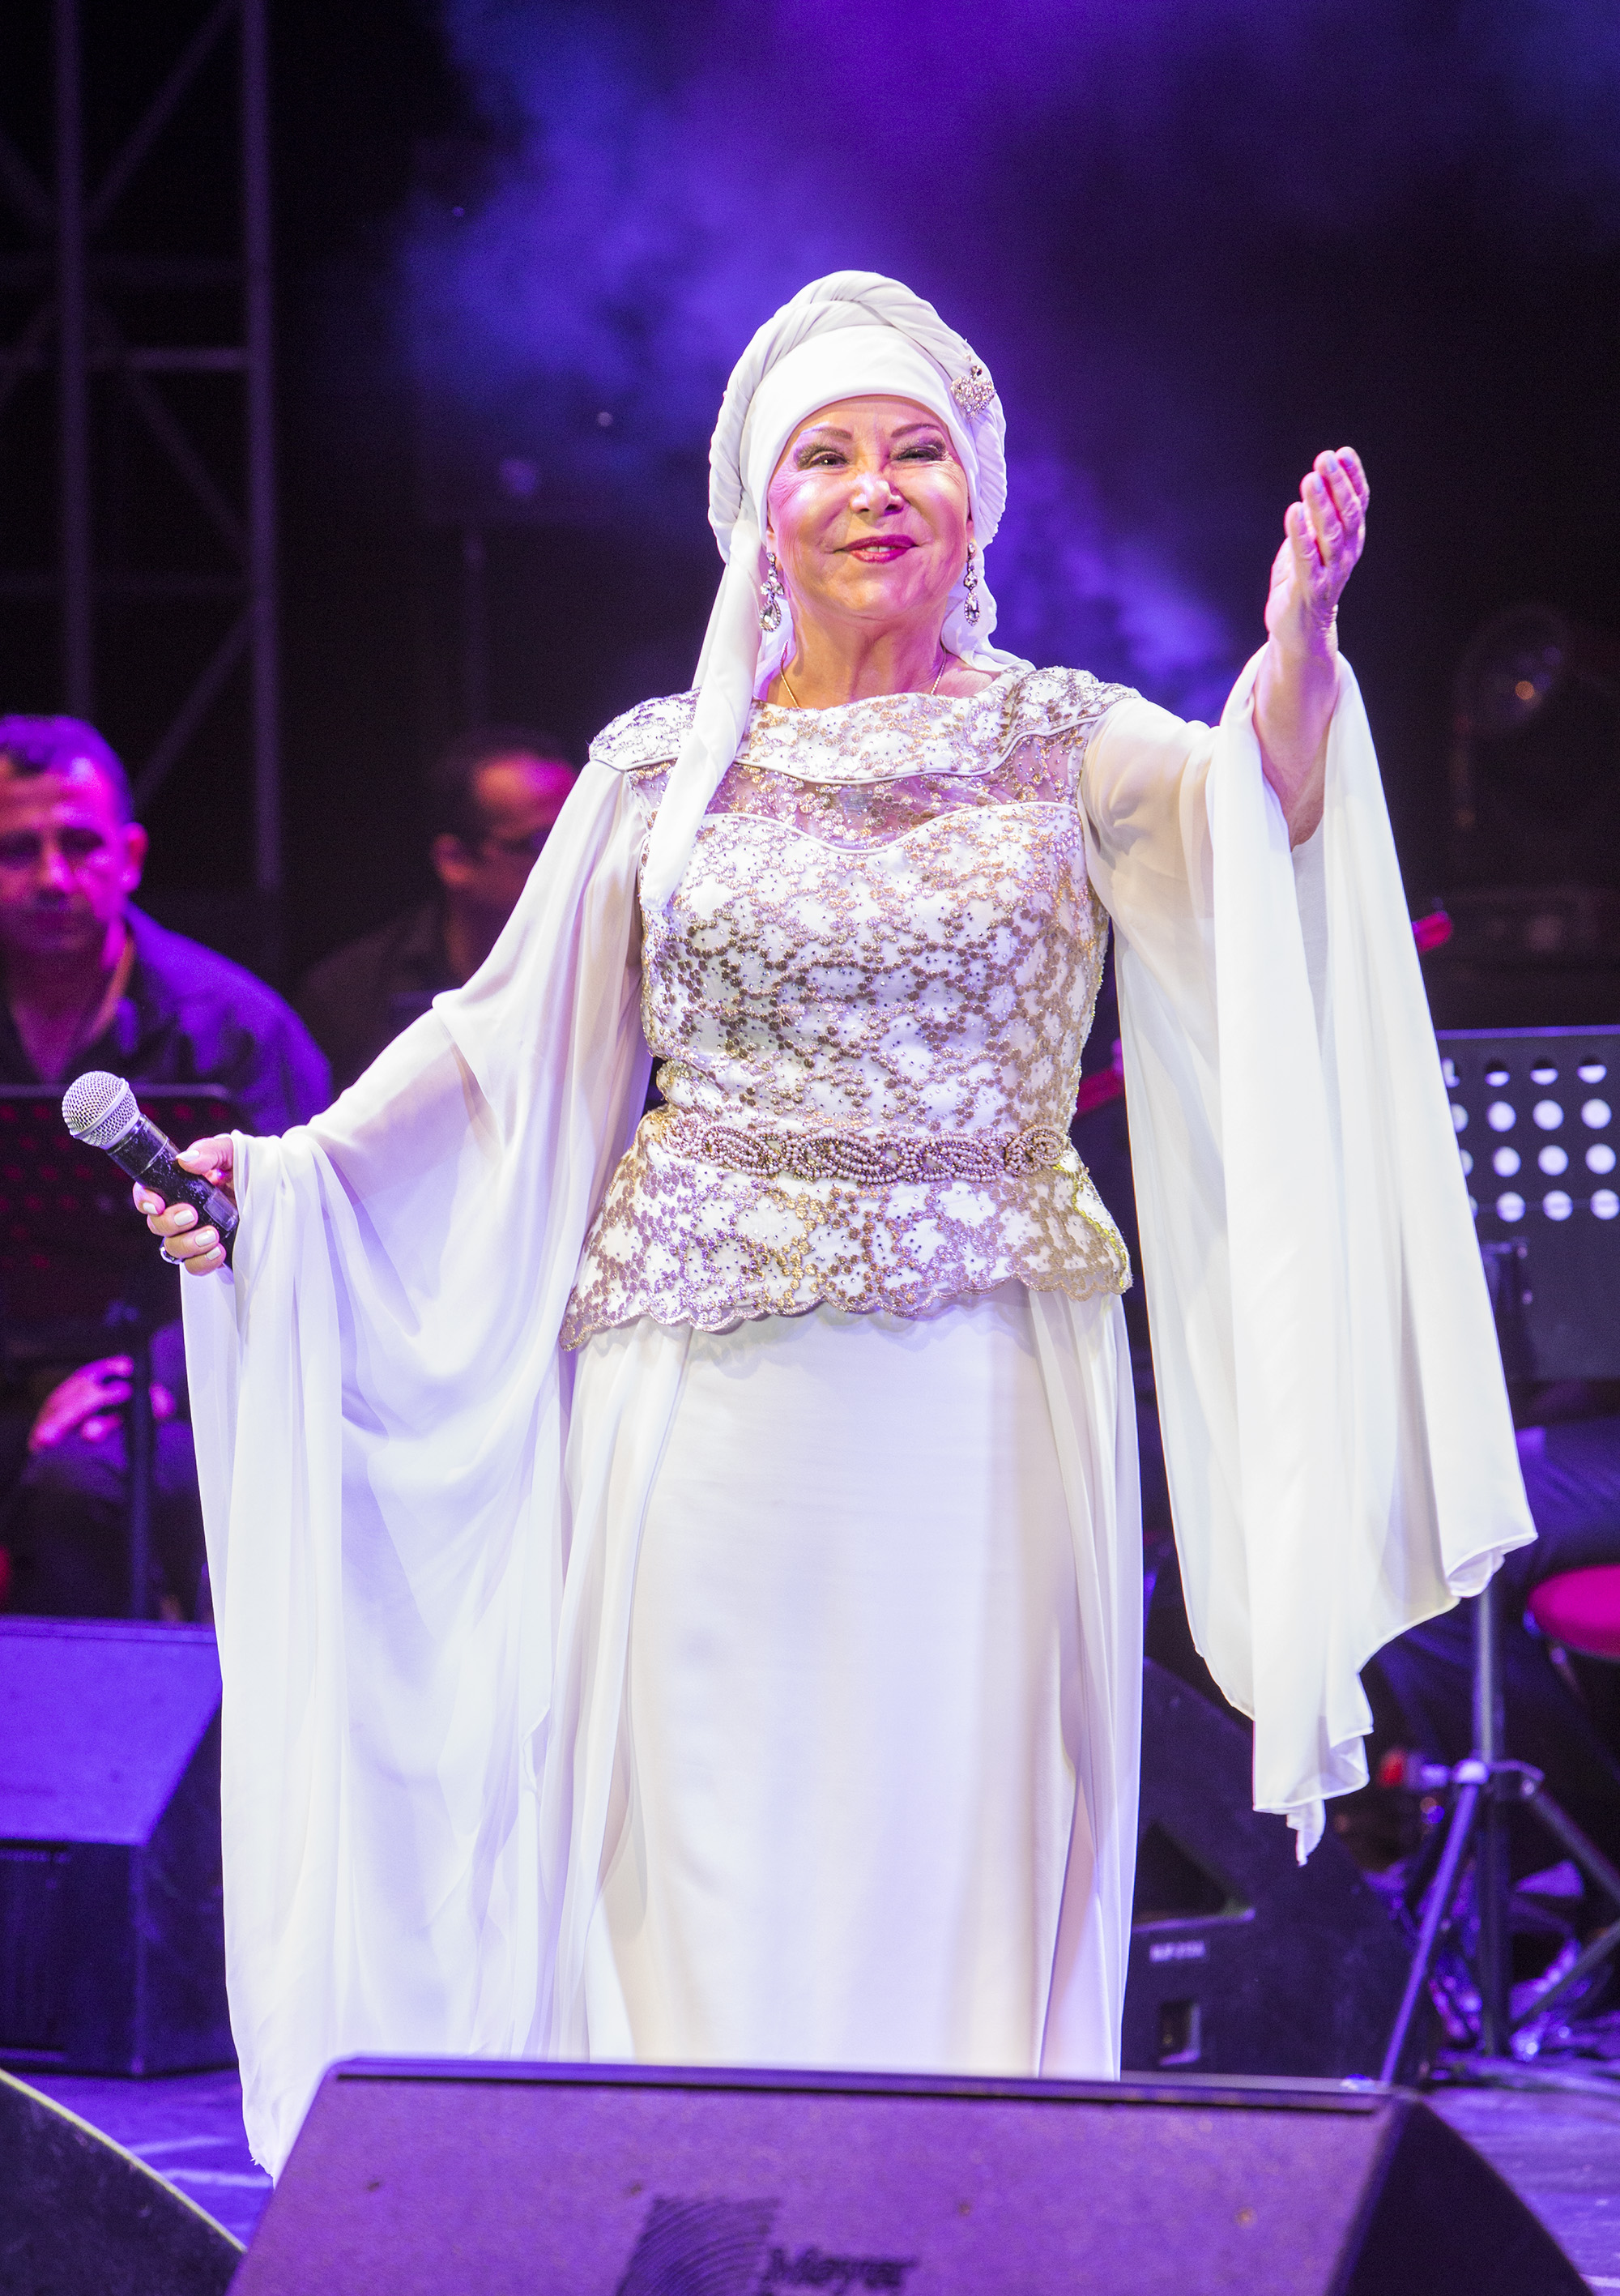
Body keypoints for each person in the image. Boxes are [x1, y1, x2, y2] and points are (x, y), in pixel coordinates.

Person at [140, 274, 1531, 2179]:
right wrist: (289, 1177)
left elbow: (1259, 817)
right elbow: (496, 1042)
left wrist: (1296, 649)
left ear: (976, 499)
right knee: (702, 1808)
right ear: (756, 508)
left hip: (977, 1369)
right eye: (828, 455)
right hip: (694, 1375)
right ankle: (684, 2216)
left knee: (945, 1804)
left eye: (916, 453)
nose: (877, 488)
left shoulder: (1066, 739)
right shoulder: (658, 767)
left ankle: (939, 2224)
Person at [0, 714, 329, 1615]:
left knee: (80, 1492)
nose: (52, 877)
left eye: (79, 845)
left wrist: (147, 1376)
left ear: (130, 856)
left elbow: (308, 1237)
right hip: (14, 1372)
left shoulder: (234, 1026)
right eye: (18, 850)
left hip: (173, 1386)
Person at [294, 729, 576, 1094]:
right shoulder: (348, 996)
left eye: (580, 840)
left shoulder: (627, 969)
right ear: (454, 860)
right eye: (542, 842)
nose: (573, 861)